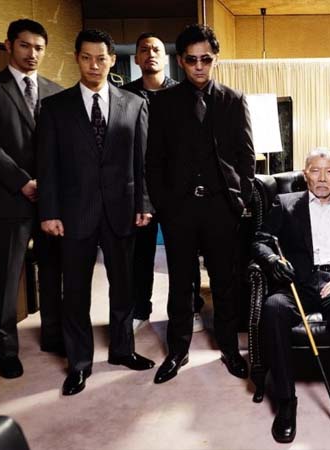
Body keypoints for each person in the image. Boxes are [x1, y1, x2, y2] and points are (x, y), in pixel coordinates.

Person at [37, 29, 155, 396]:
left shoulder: (134, 104)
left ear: (111, 60)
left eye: (101, 58)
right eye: (86, 57)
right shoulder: (55, 107)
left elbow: (142, 161)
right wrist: (49, 212)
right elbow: (47, 165)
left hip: (122, 209)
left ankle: (122, 350)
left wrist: (144, 204)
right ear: (77, 58)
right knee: (75, 292)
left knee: (124, 287)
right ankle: (79, 363)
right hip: (74, 212)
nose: (94, 65)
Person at [146, 24, 255, 384]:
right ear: (180, 60)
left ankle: (229, 348)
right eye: (191, 60)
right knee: (180, 284)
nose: (198, 66)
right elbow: (154, 160)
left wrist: (238, 199)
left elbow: (246, 156)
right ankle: (177, 351)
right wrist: (163, 205)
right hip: (179, 210)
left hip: (221, 208)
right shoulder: (162, 102)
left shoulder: (233, 100)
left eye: (205, 59)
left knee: (224, 283)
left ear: (214, 59)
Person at [253, 148, 330, 443]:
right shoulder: (285, 203)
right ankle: (286, 401)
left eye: (329, 171)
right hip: (297, 282)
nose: (322, 178)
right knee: (273, 308)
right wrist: (273, 261)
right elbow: (261, 242)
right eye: (315, 170)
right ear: (305, 174)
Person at [0, 18, 64, 379]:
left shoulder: (56, 91)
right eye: (25, 45)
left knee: (52, 271)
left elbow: (63, 146)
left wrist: (52, 185)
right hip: (10, 198)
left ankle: (53, 335)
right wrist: (23, 181)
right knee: (8, 278)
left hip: (50, 199)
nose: (32, 54)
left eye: (39, 48)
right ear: (8, 45)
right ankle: (7, 349)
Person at [120, 32, 206, 334]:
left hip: (176, 189)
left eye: (156, 49)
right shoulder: (124, 96)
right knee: (140, 255)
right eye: (144, 50)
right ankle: (140, 309)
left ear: (167, 57)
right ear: (136, 58)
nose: (151, 54)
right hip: (139, 188)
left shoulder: (183, 93)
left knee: (184, 255)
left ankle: (190, 308)